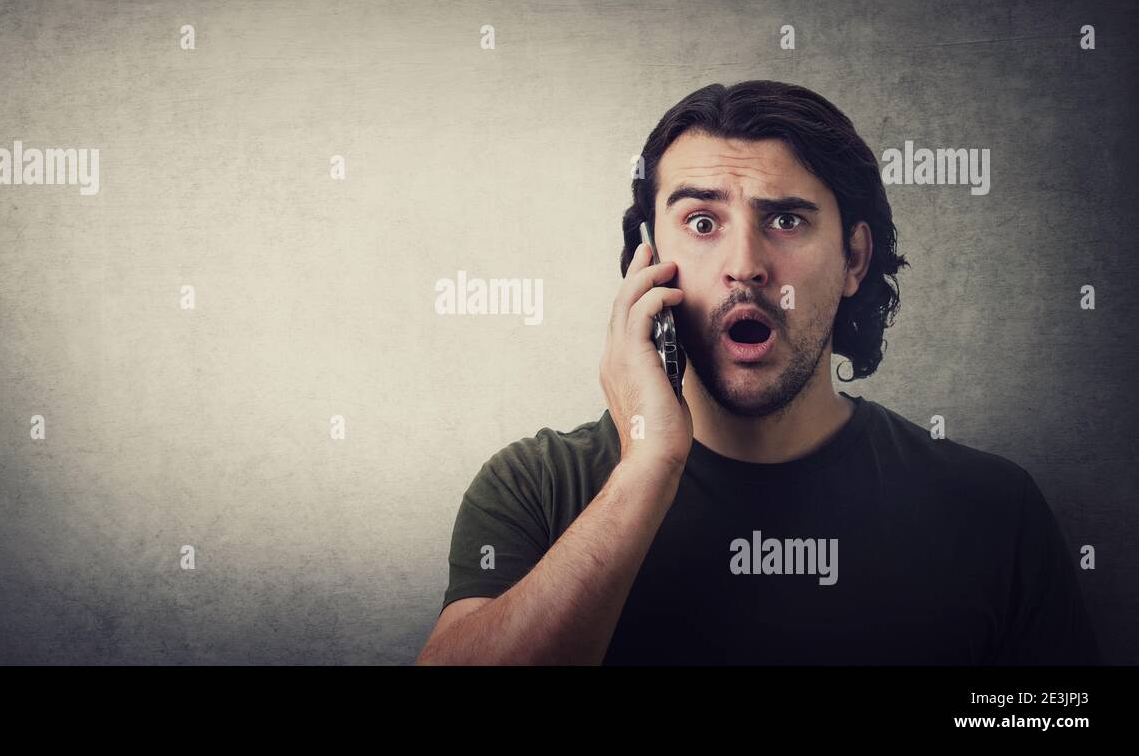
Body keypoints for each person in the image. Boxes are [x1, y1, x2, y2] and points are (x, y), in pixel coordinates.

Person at [415, 80, 1100, 666]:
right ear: (645, 263)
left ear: (854, 259)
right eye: (703, 221)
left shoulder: (992, 510)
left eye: (785, 219)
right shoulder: (535, 488)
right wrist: (649, 467)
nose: (745, 263)